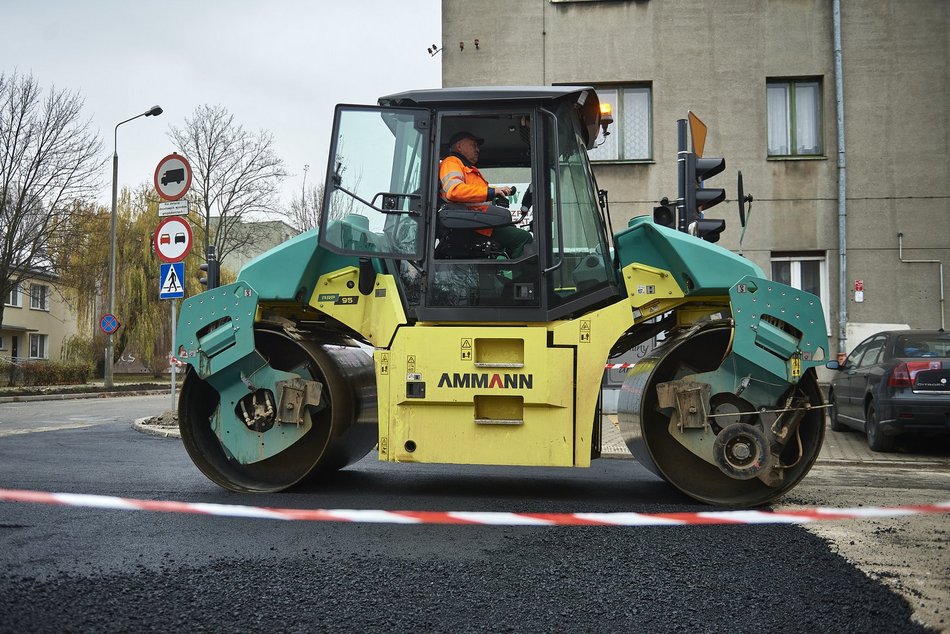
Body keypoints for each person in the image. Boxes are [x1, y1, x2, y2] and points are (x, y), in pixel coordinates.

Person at [439, 131, 533, 258]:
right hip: (472, 226)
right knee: (524, 238)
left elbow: (476, 194)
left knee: (512, 228)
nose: (477, 149)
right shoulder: (452, 162)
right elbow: (454, 191)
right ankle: (522, 276)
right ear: (459, 146)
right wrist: (491, 192)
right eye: (473, 145)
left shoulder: (469, 169)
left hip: (480, 222)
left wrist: (496, 194)